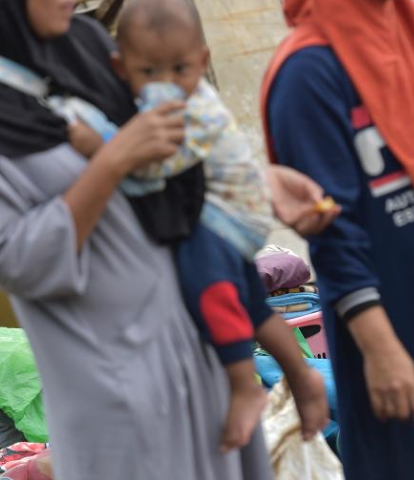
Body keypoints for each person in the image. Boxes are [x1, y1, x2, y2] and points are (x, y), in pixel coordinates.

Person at [0, 0, 276, 478]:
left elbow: (174, 159)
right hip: (114, 387)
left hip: (194, 354)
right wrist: (110, 163)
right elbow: (16, 260)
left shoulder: (88, 47)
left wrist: (260, 187)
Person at [60, 0, 329, 452]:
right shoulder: (174, 95)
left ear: (202, 63)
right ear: (120, 68)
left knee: (206, 288)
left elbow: (149, 164)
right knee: (255, 306)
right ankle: (300, 373)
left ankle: (244, 384)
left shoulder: (195, 110)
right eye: (150, 72)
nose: (167, 85)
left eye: (181, 69)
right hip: (223, 209)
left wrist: (98, 142)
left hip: (229, 217)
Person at [262, 0, 414, 478]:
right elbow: (334, 237)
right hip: (389, 332)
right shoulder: (307, 72)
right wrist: (383, 351)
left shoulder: (403, 36)